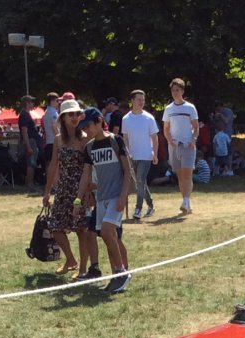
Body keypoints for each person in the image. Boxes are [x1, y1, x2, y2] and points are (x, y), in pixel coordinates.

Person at [78, 106, 135, 294]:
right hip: (101, 198)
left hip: (116, 196)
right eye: (84, 127)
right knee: (111, 237)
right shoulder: (89, 147)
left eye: (88, 125)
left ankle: (122, 272)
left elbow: (127, 170)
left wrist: (123, 196)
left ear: (99, 121)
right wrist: (78, 201)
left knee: (107, 231)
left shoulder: (115, 141)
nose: (86, 130)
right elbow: (85, 176)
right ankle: (116, 275)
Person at [41, 98, 88, 274]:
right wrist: (47, 192)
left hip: (81, 189)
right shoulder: (59, 140)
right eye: (70, 115)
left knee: (81, 230)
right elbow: (54, 165)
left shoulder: (84, 139)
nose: (74, 117)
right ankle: (70, 259)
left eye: (77, 114)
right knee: (55, 226)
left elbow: (89, 168)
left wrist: (88, 191)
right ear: (63, 118)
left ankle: (83, 269)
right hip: (63, 188)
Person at [162, 78, 199, 213]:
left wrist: (193, 140)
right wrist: (169, 140)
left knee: (187, 174)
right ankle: (186, 202)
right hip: (174, 146)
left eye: (177, 90)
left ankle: (186, 201)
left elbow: (196, 127)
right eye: (173, 90)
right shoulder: (168, 109)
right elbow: (166, 128)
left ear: (182, 91)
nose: (175, 92)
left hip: (188, 144)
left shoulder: (190, 107)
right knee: (179, 176)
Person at [121, 89, 158, 220]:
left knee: (140, 180)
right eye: (139, 99)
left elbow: (154, 137)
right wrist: (126, 153)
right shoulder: (126, 119)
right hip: (132, 156)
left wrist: (155, 154)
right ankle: (151, 205)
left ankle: (138, 208)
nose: (141, 102)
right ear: (132, 100)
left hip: (146, 155)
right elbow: (125, 138)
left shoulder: (149, 118)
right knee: (140, 183)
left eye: (143, 99)